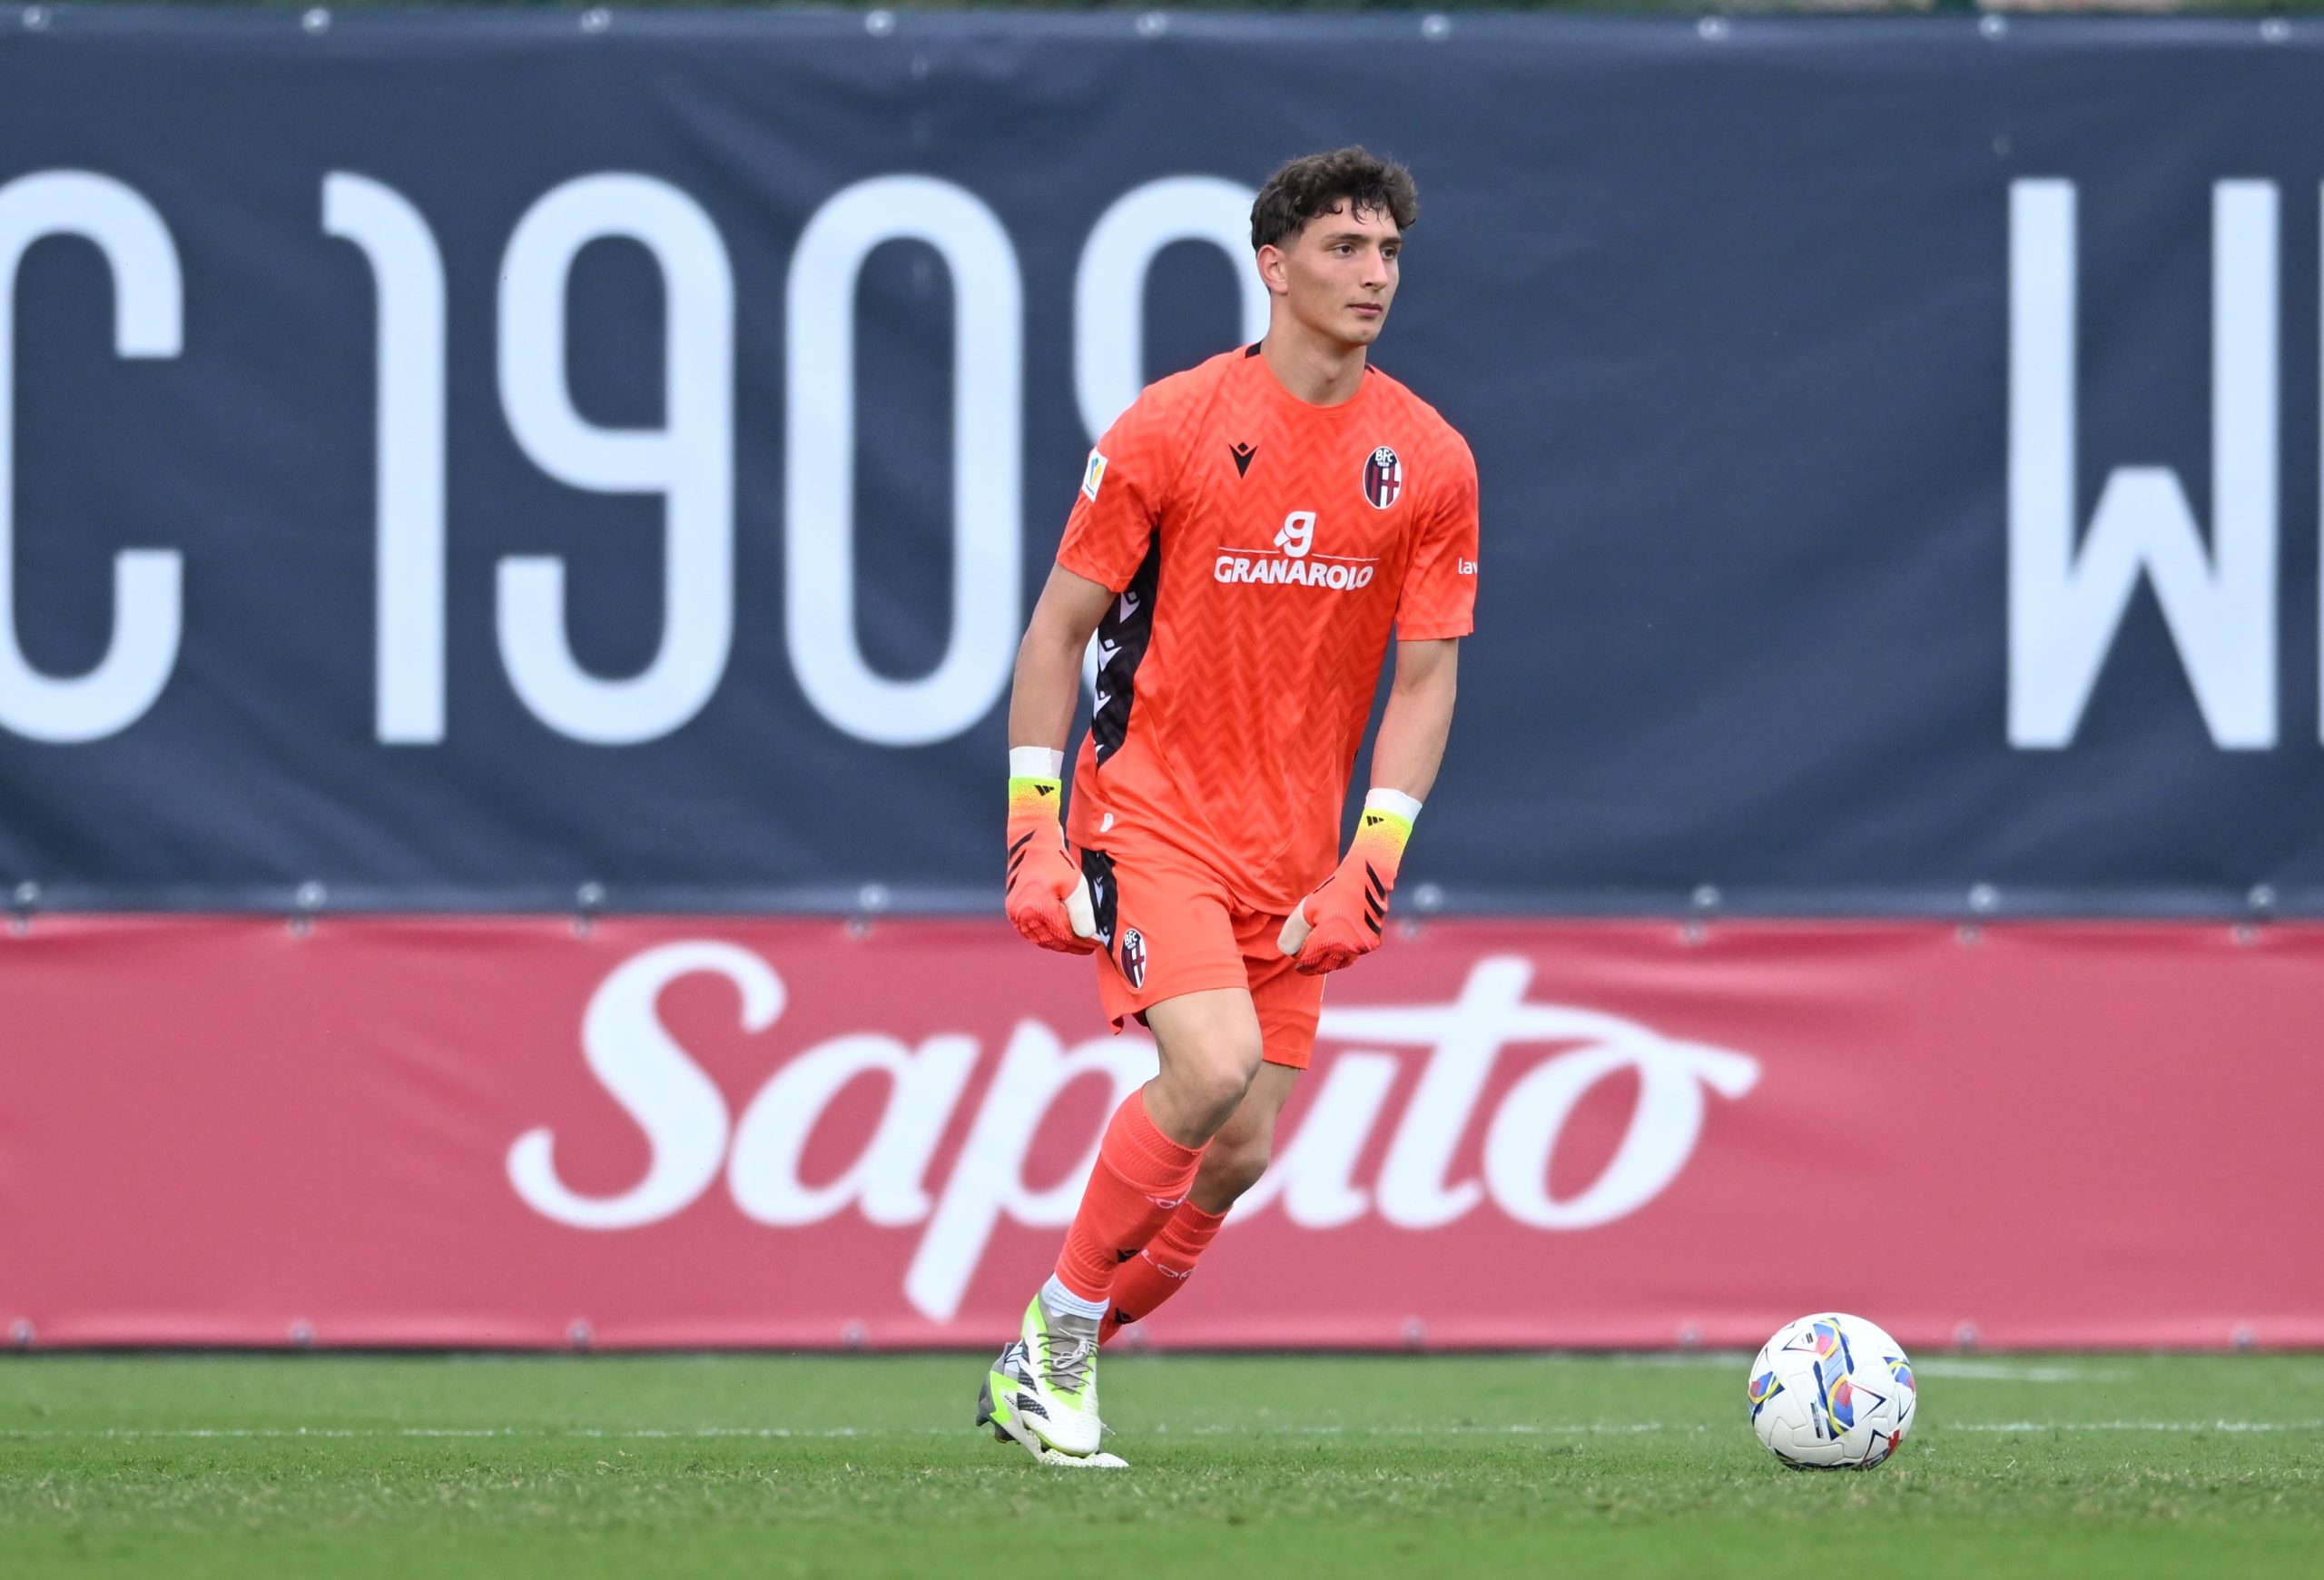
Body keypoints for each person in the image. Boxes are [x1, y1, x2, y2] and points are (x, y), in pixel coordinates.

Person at [980, 146, 1479, 1468]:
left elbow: (1426, 680)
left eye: (1388, 255)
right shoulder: (1173, 426)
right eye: (1344, 251)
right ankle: (1059, 1342)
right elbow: (1055, 638)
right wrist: (1037, 827)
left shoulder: (1427, 459)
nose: (1374, 276)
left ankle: (1048, 1337)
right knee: (1201, 1074)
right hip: (1152, 819)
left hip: (1293, 852)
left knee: (1237, 1155)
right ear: (1274, 265)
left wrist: (1374, 856)